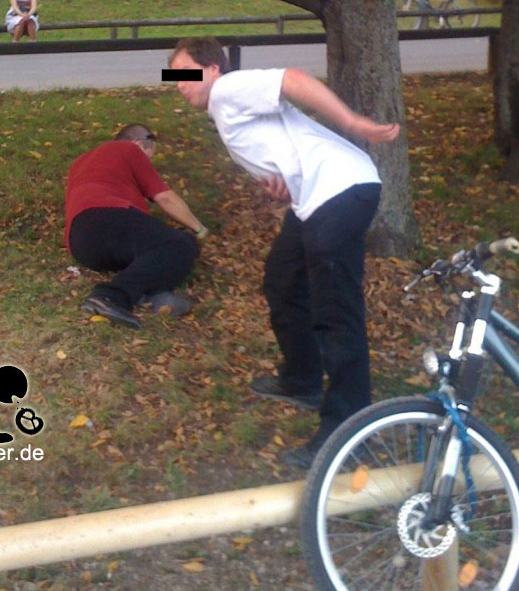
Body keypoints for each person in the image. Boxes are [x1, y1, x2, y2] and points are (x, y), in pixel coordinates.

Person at [168, 37, 400, 469]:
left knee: (336, 315)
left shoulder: (226, 89)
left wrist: (353, 122)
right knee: (283, 280)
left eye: (185, 73)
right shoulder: (225, 107)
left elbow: (292, 79)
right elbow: (282, 149)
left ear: (212, 69)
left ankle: (347, 434)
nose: (178, 84)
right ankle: (301, 379)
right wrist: (279, 183)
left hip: (340, 191)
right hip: (314, 198)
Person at [64, 123, 208, 329]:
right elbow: (165, 198)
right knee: (182, 243)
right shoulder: (129, 150)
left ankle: (154, 296)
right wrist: (199, 228)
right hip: (108, 217)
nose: (148, 162)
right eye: (149, 155)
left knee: (151, 256)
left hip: (80, 243)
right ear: (140, 143)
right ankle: (109, 297)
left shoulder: (80, 162)